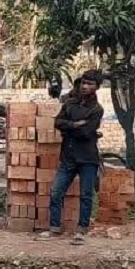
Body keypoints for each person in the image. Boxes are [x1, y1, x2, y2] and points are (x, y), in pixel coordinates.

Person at [36, 70, 104, 244]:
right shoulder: (70, 104)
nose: (85, 86)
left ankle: (81, 230)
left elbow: (86, 132)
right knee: (56, 191)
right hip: (68, 156)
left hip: (88, 158)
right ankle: (54, 228)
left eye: (90, 84)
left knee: (86, 195)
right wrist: (74, 124)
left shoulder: (97, 109)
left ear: (97, 87)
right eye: (83, 83)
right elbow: (57, 122)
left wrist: (70, 128)